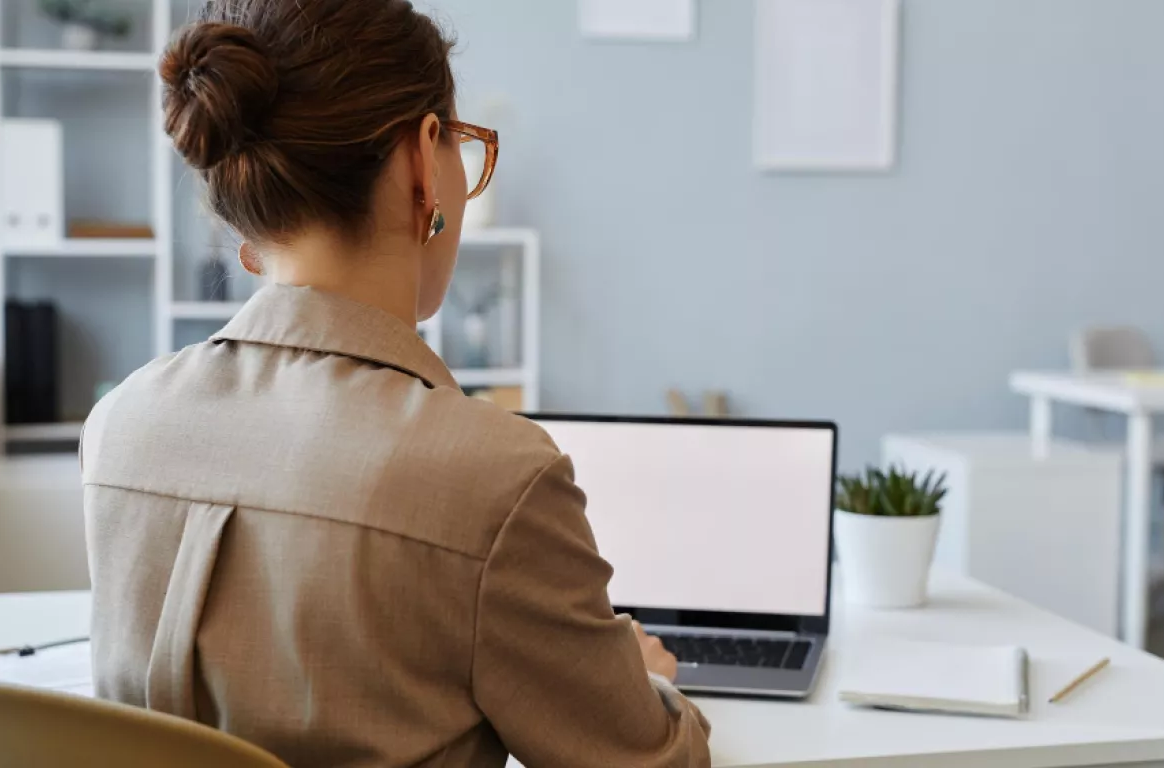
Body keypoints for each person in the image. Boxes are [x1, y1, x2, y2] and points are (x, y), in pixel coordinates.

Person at [79, 1, 712, 766]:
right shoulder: (496, 477)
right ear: (423, 163)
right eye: (461, 145)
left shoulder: (119, 426)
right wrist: (648, 688)